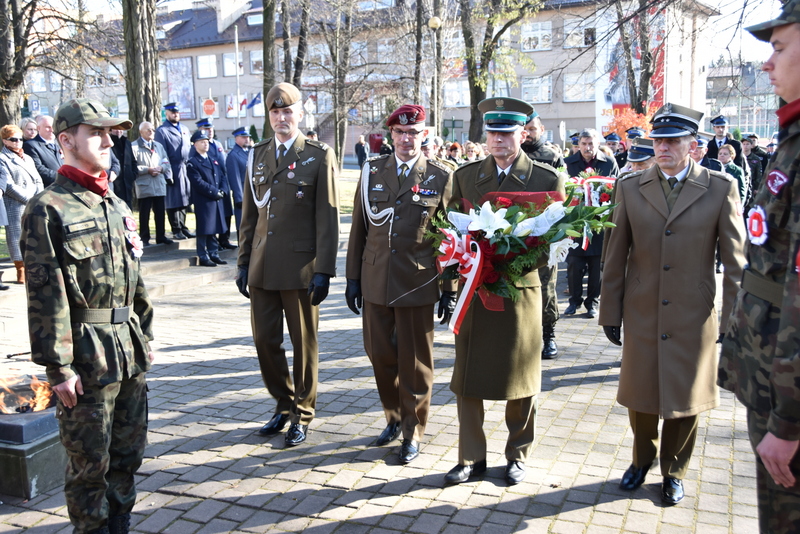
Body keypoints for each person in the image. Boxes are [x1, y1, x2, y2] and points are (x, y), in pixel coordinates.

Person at [599, 102, 745, 505]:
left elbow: (736, 262)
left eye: (673, 141)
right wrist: (610, 311)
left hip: (692, 312)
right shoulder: (630, 186)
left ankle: (674, 470)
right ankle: (641, 459)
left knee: (685, 396)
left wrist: (733, 322)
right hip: (642, 307)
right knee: (641, 392)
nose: (662, 148)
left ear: (692, 145)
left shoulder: (719, 188)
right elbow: (615, 254)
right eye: (658, 141)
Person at [20, 98, 154, 534]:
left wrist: (145, 336)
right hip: (85, 356)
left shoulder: (115, 203)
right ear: (66, 140)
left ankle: (120, 525)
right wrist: (58, 368)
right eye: (95, 133)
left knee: (127, 455)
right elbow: (45, 296)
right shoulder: (48, 208)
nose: (108, 141)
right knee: (89, 466)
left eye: (109, 133)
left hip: (127, 349)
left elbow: (135, 279)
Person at [443, 97, 565, 486]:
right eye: (492, 133)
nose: (498, 140)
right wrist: (453, 278)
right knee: (468, 377)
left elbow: (552, 241)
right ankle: (470, 457)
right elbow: (449, 231)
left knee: (522, 378)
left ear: (522, 134)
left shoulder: (546, 179)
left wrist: (510, 263)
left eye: (507, 133)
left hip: (520, 290)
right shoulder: (465, 177)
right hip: (476, 292)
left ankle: (517, 454)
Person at [719, 5, 800, 531]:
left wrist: (789, 419)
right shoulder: (792, 137)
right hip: (770, 376)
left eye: (781, 47)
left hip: (785, 395)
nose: (768, 63)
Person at [345, 105, 454, 465]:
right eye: (400, 133)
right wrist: (352, 278)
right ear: (391, 135)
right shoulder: (372, 171)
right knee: (379, 355)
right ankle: (393, 417)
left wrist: (449, 289)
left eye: (413, 133)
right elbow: (359, 228)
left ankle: (412, 430)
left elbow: (450, 238)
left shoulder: (440, 176)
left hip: (416, 282)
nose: (407, 139)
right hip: (376, 280)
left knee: (416, 363)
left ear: (424, 135)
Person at [236, 82, 340, 447]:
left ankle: (303, 412)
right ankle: (283, 403)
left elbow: (328, 216)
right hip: (262, 266)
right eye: (275, 112)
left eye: (288, 111)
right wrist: (243, 262)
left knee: (304, 345)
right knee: (265, 341)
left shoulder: (317, 154)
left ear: (300, 114)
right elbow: (249, 215)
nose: (282, 118)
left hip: (300, 269)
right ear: (269, 116)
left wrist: (324, 269)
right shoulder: (257, 154)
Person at [520, 108, 565, 359]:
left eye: (532, 129)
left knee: (546, 285)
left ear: (542, 130)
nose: (528, 134)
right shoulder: (511, 154)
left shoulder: (552, 157)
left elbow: (565, 193)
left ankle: (549, 335)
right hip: (515, 232)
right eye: (524, 130)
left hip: (544, 233)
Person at [564, 129, 619, 318]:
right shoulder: (568, 163)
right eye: (584, 144)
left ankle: (592, 302)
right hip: (576, 223)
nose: (587, 148)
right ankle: (574, 301)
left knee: (597, 266)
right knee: (574, 264)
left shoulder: (608, 162)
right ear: (578, 144)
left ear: (597, 144)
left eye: (591, 144)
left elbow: (616, 189)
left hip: (599, 222)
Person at [0, 125, 44, 283]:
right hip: (15, 203)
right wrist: (28, 198)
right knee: (16, 236)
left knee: (35, 235)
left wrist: (38, 197)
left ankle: (34, 267)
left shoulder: (28, 158)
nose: (18, 142)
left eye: (20, 138)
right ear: (5, 141)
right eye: (13, 139)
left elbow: (38, 179)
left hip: (33, 201)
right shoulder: (2, 159)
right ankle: (20, 269)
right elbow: (8, 185)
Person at [191, 118, 235, 250]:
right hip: (209, 187)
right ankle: (213, 245)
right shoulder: (196, 149)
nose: (209, 131)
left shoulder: (217, 144)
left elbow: (222, 166)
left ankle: (224, 239)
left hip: (221, 183)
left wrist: (223, 187)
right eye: (206, 129)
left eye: (211, 128)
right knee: (211, 217)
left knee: (226, 212)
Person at [186, 130, 228, 267]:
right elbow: (198, 182)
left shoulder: (212, 159)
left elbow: (222, 176)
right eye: (202, 142)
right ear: (195, 144)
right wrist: (214, 192)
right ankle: (203, 255)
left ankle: (213, 253)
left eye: (207, 142)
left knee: (214, 226)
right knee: (204, 228)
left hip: (215, 198)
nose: (206, 144)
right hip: (204, 199)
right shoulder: (193, 162)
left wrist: (223, 190)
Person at [155, 102, 194, 241]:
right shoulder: (162, 131)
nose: (175, 114)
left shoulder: (184, 128)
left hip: (185, 168)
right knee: (173, 200)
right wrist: (167, 174)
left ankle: (183, 227)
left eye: (177, 112)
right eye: (172, 112)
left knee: (184, 199)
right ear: (166, 113)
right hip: (172, 167)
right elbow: (161, 153)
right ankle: (176, 228)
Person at [131, 121, 173, 247]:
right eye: (148, 130)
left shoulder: (159, 146)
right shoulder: (134, 147)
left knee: (160, 212)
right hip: (145, 184)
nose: (151, 132)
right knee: (144, 213)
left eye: (153, 129)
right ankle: (144, 237)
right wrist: (147, 170)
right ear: (141, 132)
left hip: (159, 183)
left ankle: (161, 236)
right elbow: (133, 167)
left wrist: (161, 168)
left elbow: (166, 162)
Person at [23, 114, 63, 187]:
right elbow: (38, 168)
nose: (52, 130)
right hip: (49, 188)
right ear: (38, 128)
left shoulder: (60, 143)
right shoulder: (30, 145)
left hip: (68, 185)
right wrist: (62, 178)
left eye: (53, 127)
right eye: (48, 127)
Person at [226, 126, 251, 235]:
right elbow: (234, 178)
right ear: (236, 138)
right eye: (243, 137)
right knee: (242, 224)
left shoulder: (249, 152)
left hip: (252, 193)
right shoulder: (233, 155)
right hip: (242, 194)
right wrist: (239, 198)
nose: (247, 139)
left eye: (248, 137)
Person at [110, 129, 136, 208]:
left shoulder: (127, 143)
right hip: (114, 184)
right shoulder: (109, 143)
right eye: (116, 129)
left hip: (127, 185)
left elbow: (133, 161)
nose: (118, 131)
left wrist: (133, 175)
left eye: (120, 129)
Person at [741, 136, 764, 204]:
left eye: (747, 144)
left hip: (752, 185)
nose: (745, 146)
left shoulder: (756, 158)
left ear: (751, 145)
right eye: (744, 144)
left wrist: (757, 188)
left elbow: (759, 174)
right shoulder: (738, 158)